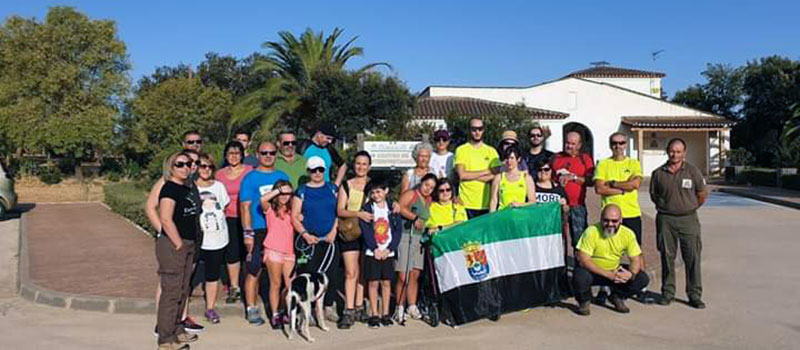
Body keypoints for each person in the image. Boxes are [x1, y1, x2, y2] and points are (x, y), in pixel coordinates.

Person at [147, 149, 205, 335]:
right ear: (170, 167)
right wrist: (174, 240)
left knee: (181, 289)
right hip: (175, 243)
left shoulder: (187, 186)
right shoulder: (169, 186)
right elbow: (161, 215)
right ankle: (165, 336)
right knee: (171, 291)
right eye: (180, 164)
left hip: (189, 242)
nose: (187, 167)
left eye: (189, 164)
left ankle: (177, 329)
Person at [594, 132, 654, 303]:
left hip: (631, 214)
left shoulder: (633, 163)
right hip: (609, 216)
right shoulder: (604, 164)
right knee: (605, 252)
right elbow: (599, 189)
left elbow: (635, 184)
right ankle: (604, 288)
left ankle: (640, 287)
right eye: (614, 143)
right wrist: (623, 189)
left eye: (621, 143)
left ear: (625, 145)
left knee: (636, 251)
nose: (618, 146)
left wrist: (612, 184)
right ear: (610, 144)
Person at [649, 138, 708, 309]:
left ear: (684, 153)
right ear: (667, 151)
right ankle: (668, 292)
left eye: (679, 151)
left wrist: (690, 207)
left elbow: (701, 194)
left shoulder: (693, 172)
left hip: (688, 219)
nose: (675, 154)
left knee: (692, 257)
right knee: (667, 257)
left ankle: (694, 294)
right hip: (665, 219)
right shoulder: (658, 173)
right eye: (672, 151)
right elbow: (655, 195)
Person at [239, 141, 290, 325]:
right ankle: (251, 307)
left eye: (272, 152)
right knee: (254, 269)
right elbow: (245, 207)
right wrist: (247, 232)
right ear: (257, 154)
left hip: (278, 230)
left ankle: (279, 308)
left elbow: (288, 201)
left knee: (281, 274)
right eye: (264, 152)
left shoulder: (282, 175)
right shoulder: (250, 178)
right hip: (258, 229)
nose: (268, 155)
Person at [572, 204, 650, 316]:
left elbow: (635, 259)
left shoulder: (628, 234)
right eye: (606, 220)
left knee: (641, 278)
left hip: (615, 271)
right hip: (594, 272)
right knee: (579, 276)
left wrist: (631, 274)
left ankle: (617, 296)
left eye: (614, 221)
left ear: (621, 220)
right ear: (601, 219)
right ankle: (584, 301)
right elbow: (583, 260)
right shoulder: (591, 232)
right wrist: (608, 275)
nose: (610, 224)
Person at [292, 156, 341, 322]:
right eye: (314, 170)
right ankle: (307, 310)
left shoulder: (333, 189)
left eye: (320, 169)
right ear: (308, 171)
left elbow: (339, 212)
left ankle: (328, 306)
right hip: (310, 241)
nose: (317, 173)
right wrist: (305, 234)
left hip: (330, 239)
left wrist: (334, 231)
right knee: (308, 275)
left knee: (331, 274)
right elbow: (294, 216)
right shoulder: (302, 191)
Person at [358, 179, 404, 329]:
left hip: (388, 252)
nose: (376, 195)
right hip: (373, 252)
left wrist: (390, 248)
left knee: (386, 282)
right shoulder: (367, 208)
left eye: (378, 191)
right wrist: (375, 248)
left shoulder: (392, 208)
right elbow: (366, 230)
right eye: (372, 192)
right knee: (373, 282)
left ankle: (385, 313)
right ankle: (374, 314)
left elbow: (397, 231)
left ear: (386, 191)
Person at [336, 151, 372, 329]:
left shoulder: (373, 185)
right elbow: (340, 210)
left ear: (369, 166)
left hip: (368, 233)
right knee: (351, 272)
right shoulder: (346, 185)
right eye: (358, 163)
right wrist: (358, 213)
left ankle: (360, 306)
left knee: (363, 272)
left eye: (364, 164)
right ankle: (348, 310)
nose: (361, 167)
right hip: (350, 231)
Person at [214, 141, 253, 304]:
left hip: (248, 218)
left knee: (249, 252)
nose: (234, 156)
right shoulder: (219, 174)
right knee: (232, 253)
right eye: (231, 153)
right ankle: (234, 287)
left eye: (237, 153)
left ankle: (250, 286)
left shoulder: (250, 171)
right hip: (227, 218)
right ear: (225, 155)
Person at [193, 153, 230, 324]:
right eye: (202, 166)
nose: (206, 170)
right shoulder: (191, 187)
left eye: (209, 166)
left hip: (217, 238)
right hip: (197, 238)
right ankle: (181, 309)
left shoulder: (219, 187)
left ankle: (210, 308)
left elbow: (223, 207)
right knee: (189, 275)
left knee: (212, 275)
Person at [394, 173, 436, 322]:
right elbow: (400, 207)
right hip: (406, 235)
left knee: (415, 274)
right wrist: (414, 218)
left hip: (419, 238)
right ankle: (399, 306)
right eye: (426, 185)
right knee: (403, 274)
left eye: (431, 187)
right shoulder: (411, 194)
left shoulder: (429, 200)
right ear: (421, 182)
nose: (428, 189)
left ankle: (412, 306)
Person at [259, 180, 296, 329]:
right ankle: (275, 314)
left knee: (290, 286)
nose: (284, 196)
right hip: (273, 249)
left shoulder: (293, 209)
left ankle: (283, 309)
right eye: (282, 193)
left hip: (289, 251)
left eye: (288, 194)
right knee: (275, 283)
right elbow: (262, 199)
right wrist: (279, 190)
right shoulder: (270, 209)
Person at [552, 131, 594, 250]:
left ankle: (580, 266)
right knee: (557, 240)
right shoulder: (556, 158)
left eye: (573, 144)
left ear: (579, 145)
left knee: (580, 240)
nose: (569, 146)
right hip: (557, 206)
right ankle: (559, 267)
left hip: (577, 206)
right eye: (567, 143)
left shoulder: (585, 159)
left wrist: (574, 178)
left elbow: (591, 181)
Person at [454, 118, 501, 218]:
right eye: (474, 129)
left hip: (486, 203)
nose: (477, 132)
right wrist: (487, 172)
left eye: (480, 129)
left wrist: (470, 175)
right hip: (465, 203)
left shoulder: (491, 151)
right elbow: (462, 175)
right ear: (469, 130)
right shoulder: (461, 150)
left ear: (483, 130)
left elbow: (496, 174)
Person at [490, 146, 536, 212]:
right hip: (502, 217)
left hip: (519, 217)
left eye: (512, 158)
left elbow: (532, 202)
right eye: (507, 158)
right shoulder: (499, 177)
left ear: (518, 159)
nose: (509, 161)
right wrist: (491, 219)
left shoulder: (526, 178)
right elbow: (493, 200)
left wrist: (520, 205)